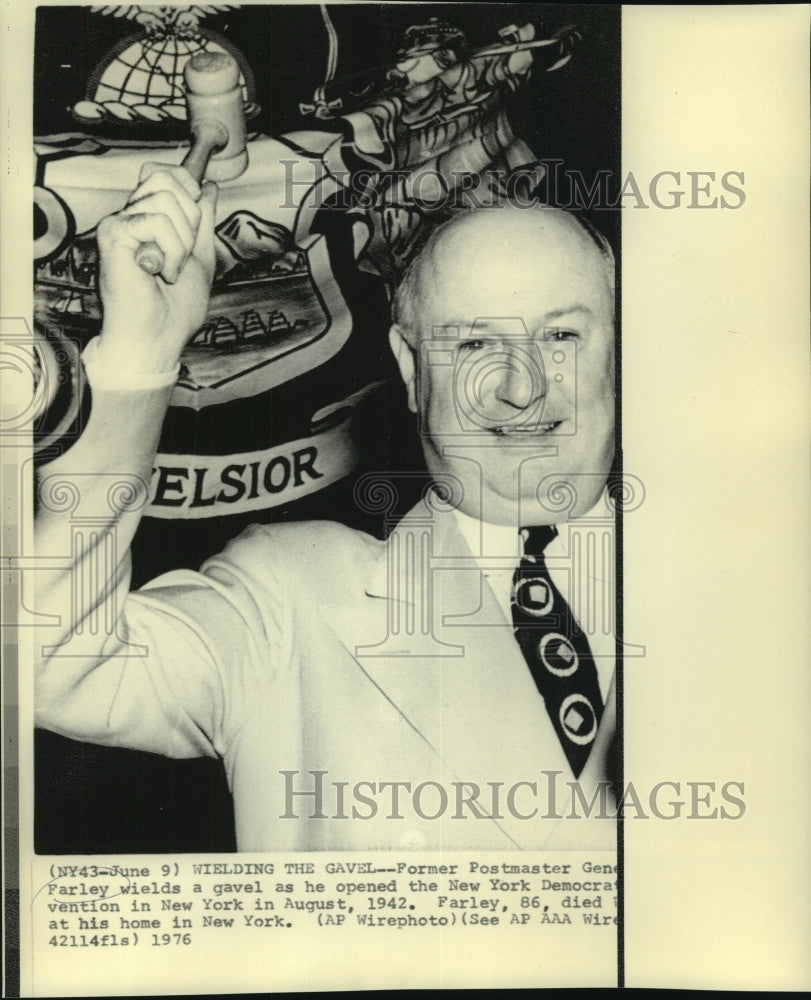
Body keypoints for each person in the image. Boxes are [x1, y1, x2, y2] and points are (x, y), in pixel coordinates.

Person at [34, 165, 618, 852]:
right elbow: (49, 659)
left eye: (560, 338)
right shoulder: (286, 598)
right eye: (472, 344)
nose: (520, 387)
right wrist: (142, 350)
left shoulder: (749, 588)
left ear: (617, 346)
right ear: (408, 366)